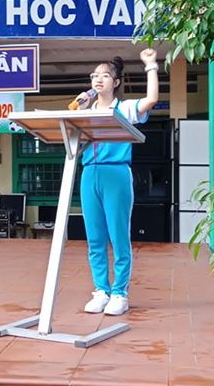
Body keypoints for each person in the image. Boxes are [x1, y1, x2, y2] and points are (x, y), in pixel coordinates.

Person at [77, 49, 160, 316]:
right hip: (89, 174)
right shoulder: (85, 109)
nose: (98, 79)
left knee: (118, 235)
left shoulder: (123, 109)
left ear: (116, 82)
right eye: (94, 75)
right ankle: (101, 290)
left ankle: (119, 293)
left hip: (116, 174)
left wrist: (151, 66)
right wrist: (79, 110)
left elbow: (151, 99)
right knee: (95, 237)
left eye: (104, 75)